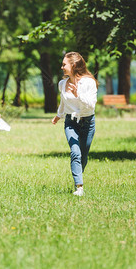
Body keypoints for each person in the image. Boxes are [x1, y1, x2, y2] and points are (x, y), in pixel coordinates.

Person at [52, 52, 98, 196]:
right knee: (75, 152)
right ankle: (79, 187)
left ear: (74, 65)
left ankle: (78, 175)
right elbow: (63, 102)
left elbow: (91, 105)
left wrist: (79, 94)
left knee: (83, 156)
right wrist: (59, 115)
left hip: (88, 122)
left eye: (64, 64)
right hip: (71, 122)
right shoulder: (62, 84)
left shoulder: (89, 82)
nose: (62, 67)